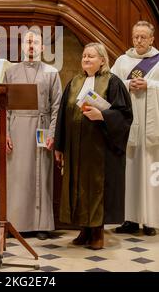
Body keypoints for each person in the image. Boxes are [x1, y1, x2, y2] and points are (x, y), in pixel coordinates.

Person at [54, 42, 133, 250]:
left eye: (91, 56)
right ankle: (85, 229)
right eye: (84, 56)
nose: (86, 59)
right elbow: (63, 115)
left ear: (102, 60)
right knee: (78, 185)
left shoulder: (113, 82)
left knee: (96, 187)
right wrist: (60, 145)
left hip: (100, 148)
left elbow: (125, 115)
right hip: (76, 147)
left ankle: (97, 231)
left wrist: (103, 115)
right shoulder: (74, 82)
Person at [3, 30, 62, 240]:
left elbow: (57, 107)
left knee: (41, 176)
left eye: (36, 42)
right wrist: (6, 134)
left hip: (42, 126)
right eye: (28, 41)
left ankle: (41, 224)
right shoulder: (11, 72)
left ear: (43, 48)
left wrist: (53, 134)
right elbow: (5, 107)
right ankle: (14, 223)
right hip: (17, 127)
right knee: (17, 176)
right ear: (21, 46)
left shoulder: (51, 72)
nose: (31, 45)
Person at [111, 21, 159, 236]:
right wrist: (126, 84)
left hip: (151, 126)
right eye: (135, 36)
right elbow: (111, 84)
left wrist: (150, 85)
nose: (138, 41)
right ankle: (129, 219)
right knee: (129, 173)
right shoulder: (122, 60)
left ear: (152, 39)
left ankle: (151, 221)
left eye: (143, 37)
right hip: (129, 125)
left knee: (150, 172)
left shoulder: (158, 62)